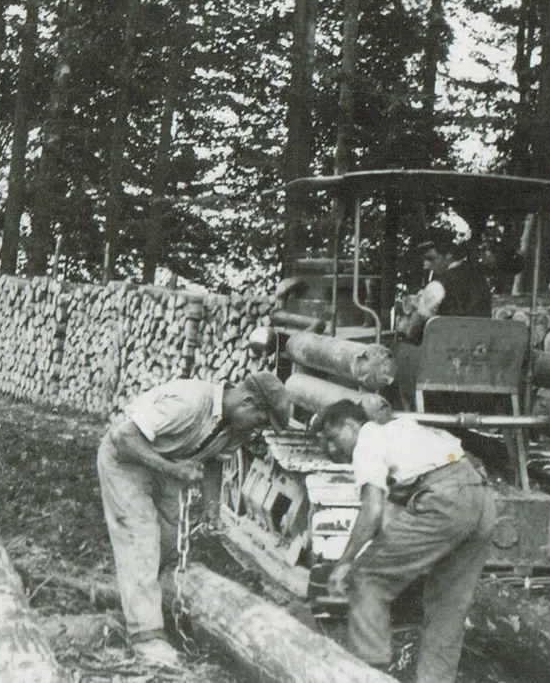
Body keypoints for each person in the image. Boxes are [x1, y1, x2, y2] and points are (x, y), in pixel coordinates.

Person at [96, 371, 290, 667]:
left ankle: (128, 599)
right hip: (127, 463)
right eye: (261, 421)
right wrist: (173, 471)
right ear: (248, 402)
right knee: (142, 539)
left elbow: (214, 460)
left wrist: (212, 508)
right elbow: (123, 438)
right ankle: (145, 636)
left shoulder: (234, 426)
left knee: (167, 549)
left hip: (167, 467)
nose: (258, 431)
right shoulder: (189, 402)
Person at [312, 399, 496, 683]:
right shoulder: (401, 429)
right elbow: (390, 519)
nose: (334, 450)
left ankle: (367, 677)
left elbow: (372, 510)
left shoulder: (367, 441)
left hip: (446, 499)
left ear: (351, 425)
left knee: (367, 578)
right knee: (448, 605)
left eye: (335, 439)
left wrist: (344, 563)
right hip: (481, 497)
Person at [400, 234, 493, 342]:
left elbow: (416, 327)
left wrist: (408, 336)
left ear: (449, 255)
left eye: (431, 259)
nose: (427, 265)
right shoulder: (481, 280)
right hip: (480, 346)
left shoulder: (438, 285)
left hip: (445, 349)